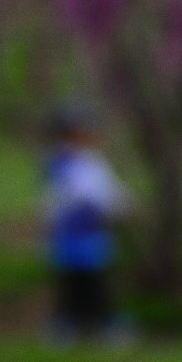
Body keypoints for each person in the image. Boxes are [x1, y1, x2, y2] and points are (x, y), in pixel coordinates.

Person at [41, 101, 134, 346]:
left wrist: (122, 203)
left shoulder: (91, 161)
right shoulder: (63, 164)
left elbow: (109, 190)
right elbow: (85, 195)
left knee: (96, 281)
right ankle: (68, 323)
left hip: (92, 235)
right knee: (73, 281)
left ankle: (100, 322)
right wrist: (114, 205)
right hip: (72, 234)